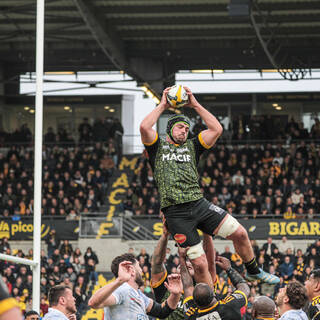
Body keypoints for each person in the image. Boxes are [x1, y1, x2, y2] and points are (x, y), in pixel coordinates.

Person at [140, 86, 279, 286]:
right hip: (176, 214)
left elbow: (217, 129)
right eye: (180, 127)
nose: (184, 131)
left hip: (199, 204)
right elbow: (145, 127)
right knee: (201, 264)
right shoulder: (157, 146)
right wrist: (163, 104)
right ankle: (209, 302)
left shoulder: (193, 146)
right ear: (170, 128)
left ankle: (253, 271)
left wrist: (195, 104)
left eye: (187, 128)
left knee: (240, 233)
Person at [150, 220, 216, 319]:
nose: (186, 263)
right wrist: (165, 235)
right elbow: (156, 263)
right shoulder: (166, 285)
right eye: (184, 261)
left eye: (190, 261)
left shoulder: (202, 288)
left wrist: (207, 232)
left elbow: (209, 263)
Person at [88, 253, 182, 319]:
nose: (141, 271)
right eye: (139, 267)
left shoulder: (139, 295)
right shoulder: (122, 289)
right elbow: (93, 303)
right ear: (132, 270)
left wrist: (175, 294)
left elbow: (162, 311)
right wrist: (119, 281)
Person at [179, 247, 249, 320]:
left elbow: (187, 287)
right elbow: (244, 287)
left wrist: (182, 258)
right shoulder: (230, 306)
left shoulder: (190, 315)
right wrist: (229, 269)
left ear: (194, 302)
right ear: (214, 294)